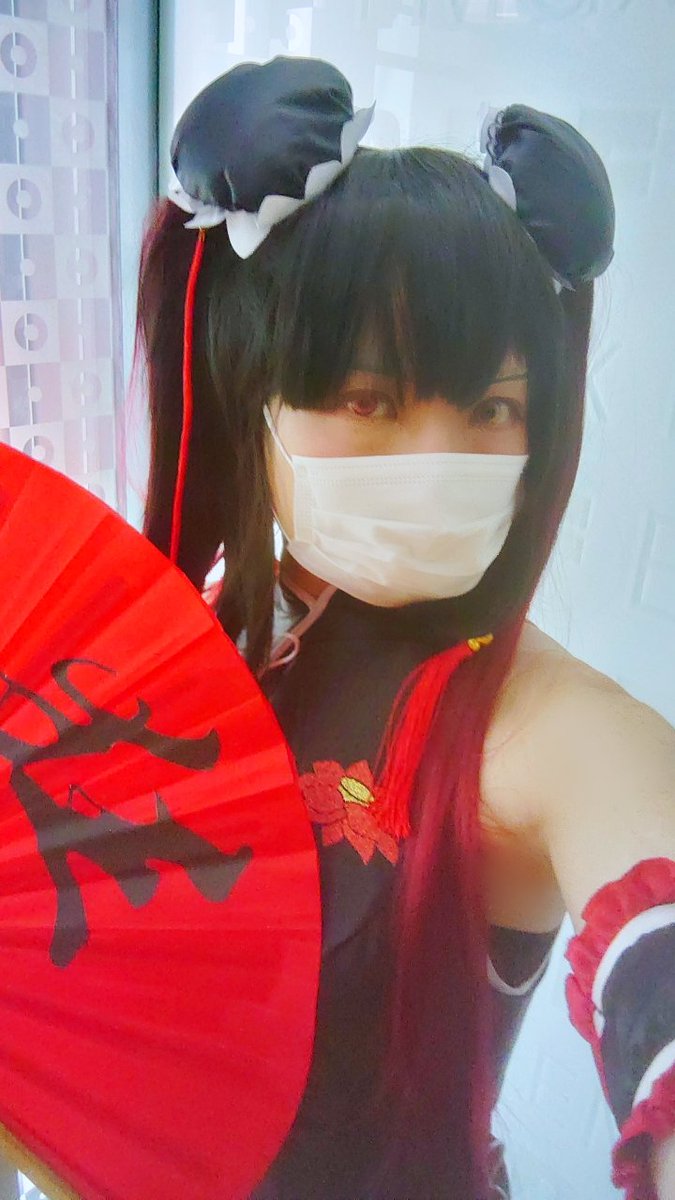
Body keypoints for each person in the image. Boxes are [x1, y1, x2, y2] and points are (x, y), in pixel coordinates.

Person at [132, 55, 675, 1200]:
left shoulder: (540, 726)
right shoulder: (198, 641)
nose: (436, 460)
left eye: (491, 407)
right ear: (254, 398)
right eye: (367, 398)